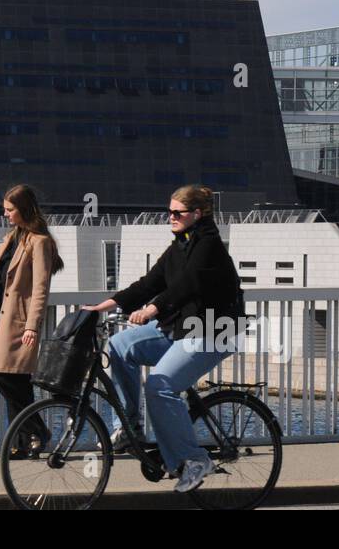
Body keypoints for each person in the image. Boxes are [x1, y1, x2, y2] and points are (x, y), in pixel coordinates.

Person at [82, 185, 244, 493]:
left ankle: (195, 460)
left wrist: (154, 308)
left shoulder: (209, 245)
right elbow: (149, 283)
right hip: (181, 326)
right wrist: (103, 306)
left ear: (197, 214)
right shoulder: (180, 244)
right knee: (120, 345)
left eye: (177, 213)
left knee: (160, 385)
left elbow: (188, 284)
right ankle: (129, 429)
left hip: (213, 330)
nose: (170, 217)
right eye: (168, 211)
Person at [0, 184, 64, 458]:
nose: (6, 214)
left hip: (20, 321)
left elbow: (40, 287)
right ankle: (24, 442)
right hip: (2, 317)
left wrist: (33, 324)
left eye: (10, 209)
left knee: (4, 377)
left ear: (23, 209)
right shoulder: (13, 237)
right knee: (14, 381)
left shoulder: (39, 241)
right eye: (5, 210)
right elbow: (7, 276)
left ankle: (37, 432)